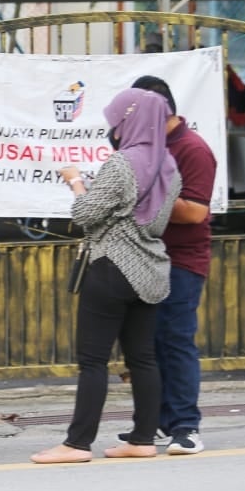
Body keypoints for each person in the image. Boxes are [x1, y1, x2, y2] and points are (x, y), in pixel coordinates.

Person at [31, 88, 181, 465]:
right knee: (143, 359)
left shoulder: (122, 164)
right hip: (148, 271)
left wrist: (76, 181)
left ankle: (77, 444)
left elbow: (85, 213)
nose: (113, 129)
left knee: (93, 360)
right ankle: (144, 438)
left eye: (117, 121)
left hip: (112, 268)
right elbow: (156, 222)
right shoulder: (169, 168)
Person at [129, 76, 217, 455]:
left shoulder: (194, 149)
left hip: (181, 261)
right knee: (149, 345)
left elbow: (195, 212)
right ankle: (158, 423)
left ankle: (186, 426)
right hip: (145, 257)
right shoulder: (143, 145)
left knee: (176, 341)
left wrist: (142, 198)